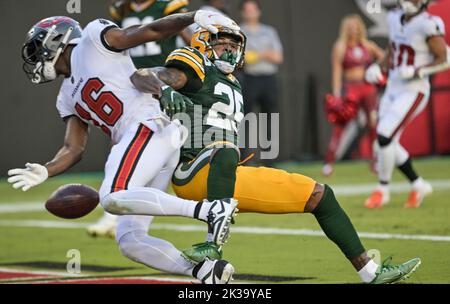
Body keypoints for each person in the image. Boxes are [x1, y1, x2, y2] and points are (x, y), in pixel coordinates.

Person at [131, 25, 422, 284]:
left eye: (234, 46)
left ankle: (370, 273)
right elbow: (143, 75)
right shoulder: (196, 67)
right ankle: (212, 244)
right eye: (223, 45)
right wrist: (164, 92)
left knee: (320, 195)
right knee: (226, 149)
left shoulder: (233, 82)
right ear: (204, 44)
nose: (230, 51)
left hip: (225, 173)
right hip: (193, 171)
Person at [7, 11, 241, 284]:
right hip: (149, 141)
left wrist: (191, 16)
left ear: (56, 38)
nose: (35, 58)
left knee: (112, 196)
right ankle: (204, 272)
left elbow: (150, 30)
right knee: (130, 240)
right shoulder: (65, 97)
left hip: (148, 124)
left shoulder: (93, 39)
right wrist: (46, 171)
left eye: (38, 49)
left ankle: (208, 211)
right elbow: (73, 148)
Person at [88, 0, 192, 238]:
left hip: (162, 78)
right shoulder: (120, 5)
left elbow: (188, 34)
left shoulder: (171, 1)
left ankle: (125, 217)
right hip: (131, 84)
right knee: (129, 149)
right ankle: (120, 216)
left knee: (155, 152)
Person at [364, 0, 449, 208]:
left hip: (414, 89)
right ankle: (418, 184)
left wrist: (418, 70)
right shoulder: (393, 17)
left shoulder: (428, 24)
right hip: (393, 86)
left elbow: (445, 59)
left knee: (384, 136)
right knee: (382, 144)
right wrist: (379, 66)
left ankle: (382, 190)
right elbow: (394, 49)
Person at [323, 14, 385, 176]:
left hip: (368, 88)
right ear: (345, 29)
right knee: (340, 125)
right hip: (351, 89)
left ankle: (376, 161)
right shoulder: (340, 47)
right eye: (350, 27)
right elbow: (336, 71)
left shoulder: (368, 45)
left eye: (356, 27)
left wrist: (377, 70)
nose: (353, 30)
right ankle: (329, 162)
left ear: (360, 28)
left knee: (373, 124)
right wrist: (336, 93)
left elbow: (385, 58)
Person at [239, 0, 283, 165]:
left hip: (268, 78)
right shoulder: (239, 31)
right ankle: (245, 159)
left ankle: (270, 160)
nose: (251, 13)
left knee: (269, 119)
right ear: (243, 12)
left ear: (259, 11)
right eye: (247, 10)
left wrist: (257, 55)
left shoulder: (269, 31)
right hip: (249, 79)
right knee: (246, 119)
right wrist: (265, 53)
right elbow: (242, 59)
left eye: (253, 9)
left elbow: (278, 57)